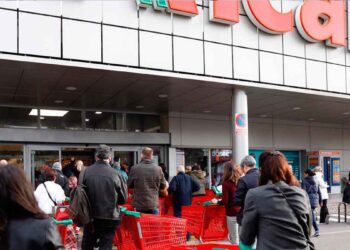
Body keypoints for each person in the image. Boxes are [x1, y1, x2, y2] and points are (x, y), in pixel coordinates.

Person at [240, 151, 315, 250]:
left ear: (261, 172)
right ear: (287, 170)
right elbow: (308, 232)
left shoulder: (255, 195)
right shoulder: (301, 194)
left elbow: (246, 239)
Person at [0, 165, 64, 249]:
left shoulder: (40, 187)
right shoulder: (45, 228)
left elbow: (36, 197)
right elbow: (60, 200)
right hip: (48, 215)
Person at [81, 145, 128, 250]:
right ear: (110, 158)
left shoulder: (85, 172)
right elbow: (123, 199)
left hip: (90, 216)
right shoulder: (117, 174)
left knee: (87, 244)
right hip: (109, 216)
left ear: (96, 157)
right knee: (106, 245)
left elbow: (81, 194)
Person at [128, 147, 167, 214]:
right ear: (152, 156)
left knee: (140, 224)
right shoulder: (158, 169)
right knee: (153, 224)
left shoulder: (134, 168)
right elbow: (163, 186)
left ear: (141, 155)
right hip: (153, 204)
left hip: (139, 204)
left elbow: (129, 185)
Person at [212, 162, 241, 244]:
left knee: (234, 237)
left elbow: (225, 201)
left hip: (231, 212)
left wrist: (217, 201)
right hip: (241, 211)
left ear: (226, 171)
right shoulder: (240, 181)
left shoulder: (226, 183)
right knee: (239, 236)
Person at [169, 165, 200, 240]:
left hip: (177, 201)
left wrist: (171, 192)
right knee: (187, 218)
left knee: (178, 218)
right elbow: (198, 186)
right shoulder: (189, 177)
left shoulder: (176, 178)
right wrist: (190, 191)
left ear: (177, 171)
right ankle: (188, 234)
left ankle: (180, 235)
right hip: (188, 202)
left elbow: (172, 188)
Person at [234, 155, 259, 226]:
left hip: (247, 216)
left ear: (245, 166)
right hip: (262, 217)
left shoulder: (243, 180)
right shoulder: (264, 176)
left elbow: (237, 201)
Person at [302, 169, 321, 237]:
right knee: (311, 215)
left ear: (307, 174)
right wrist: (320, 201)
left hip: (308, 200)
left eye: (304, 173)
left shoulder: (304, 181)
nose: (303, 175)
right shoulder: (316, 180)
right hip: (315, 199)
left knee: (311, 216)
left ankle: (316, 230)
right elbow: (319, 191)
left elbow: (303, 192)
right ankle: (310, 231)